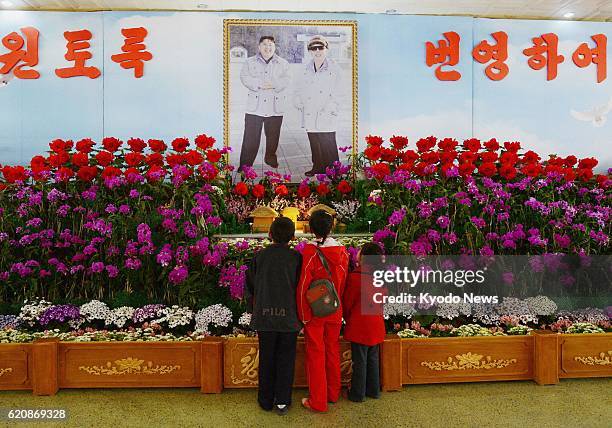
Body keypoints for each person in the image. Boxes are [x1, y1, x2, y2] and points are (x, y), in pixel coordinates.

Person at [245, 216, 302, 416]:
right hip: (289, 318)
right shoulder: (296, 257)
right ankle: (282, 401)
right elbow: (300, 286)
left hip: (265, 316)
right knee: (286, 359)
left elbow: (251, 285)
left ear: (270, 235)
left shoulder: (259, 257)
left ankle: (265, 400)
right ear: (293, 237)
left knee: (267, 358)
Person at [296, 210, 349, 412]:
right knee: (332, 350)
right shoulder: (342, 252)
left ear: (311, 228)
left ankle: (318, 401)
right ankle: (333, 394)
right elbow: (342, 285)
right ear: (332, 226)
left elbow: (303, 287)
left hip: (316, 313)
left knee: (316, 354)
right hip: (335, 310)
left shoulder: (310, 252)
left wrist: (304, 315)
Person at [238, 36, 291, 171]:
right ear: (259, 47)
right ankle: (245, 165)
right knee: (250, 138)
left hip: (275, 106)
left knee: (273, 137)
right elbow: (244, 77)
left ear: (274, 47)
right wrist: (259, 84)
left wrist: (273, 84)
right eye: (265, 45)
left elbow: (287, 79)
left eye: (270, 45)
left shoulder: (283, 63)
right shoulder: (249, 62)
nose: (268, 47)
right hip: (255, 107)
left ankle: (270, 158)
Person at [342, 242, 386, 402]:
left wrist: (347, 317)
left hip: (359, 326)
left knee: (359, 361)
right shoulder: (381, 278)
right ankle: (373, 390)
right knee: (373, 359)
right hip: (376, 325)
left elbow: (347, 303)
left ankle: (357, 394)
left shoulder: (355, 278)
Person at [293, 35, 343, 177]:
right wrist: (298, 101)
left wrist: (329, 108)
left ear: (326, 49)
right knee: (314, 141)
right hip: (309, 112)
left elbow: (339, 93)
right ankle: (318, 167)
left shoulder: (335, 69)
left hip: (326, 112)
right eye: (314, 48)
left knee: (328, 143)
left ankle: (334, 172)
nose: (317, 51)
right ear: (310, 51)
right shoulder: (305, 69)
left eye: (320, 47)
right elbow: (297, 88)